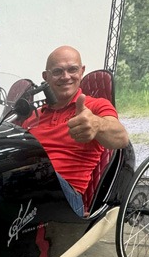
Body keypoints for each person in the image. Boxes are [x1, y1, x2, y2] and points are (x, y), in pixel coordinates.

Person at [23, 46, 129, 214]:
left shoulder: (95, 107)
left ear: (82, 72)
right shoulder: (33, 116)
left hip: (66, 196)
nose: (66, 77)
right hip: (28, 189)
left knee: (40, 174)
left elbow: (121, 138)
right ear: (46, 77)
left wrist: (97, 124)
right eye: (57, 71)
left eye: (72, 69)